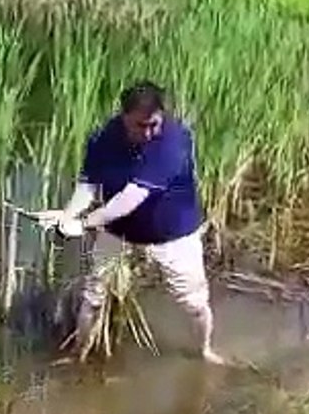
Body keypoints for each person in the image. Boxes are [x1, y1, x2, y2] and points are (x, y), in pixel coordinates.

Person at [36, 81, 225, 365]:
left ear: (162, 116)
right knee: (93, 296)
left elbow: (131, 198)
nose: (148, 133)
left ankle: (204, 351)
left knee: (194, 303)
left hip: (172, 234)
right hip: (118, 231)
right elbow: (88, 184)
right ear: (124, 117)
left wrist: (85, 223)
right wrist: (67, 216)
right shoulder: (104, 137)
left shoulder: (174, 141)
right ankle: (78, 355)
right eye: (140, 125)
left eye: (154, 124)